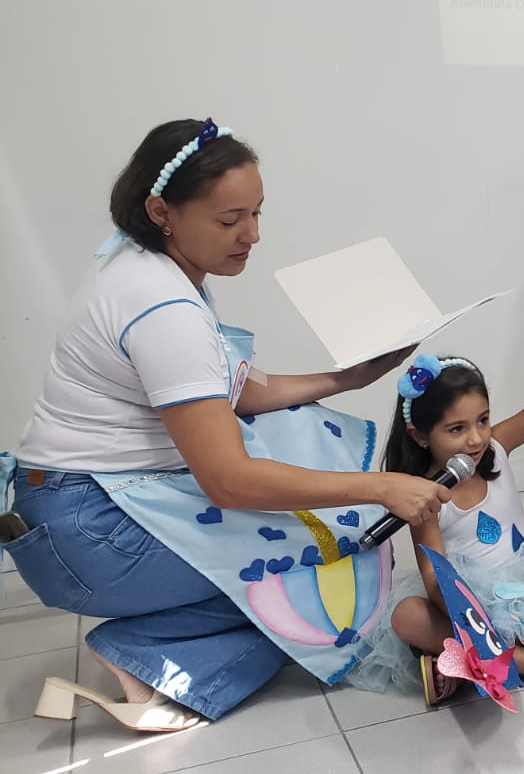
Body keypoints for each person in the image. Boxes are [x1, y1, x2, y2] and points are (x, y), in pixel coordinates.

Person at [0, 119, 449, 730]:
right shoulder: (162, 306)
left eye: (257, 213)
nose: (252, 235)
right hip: (90, 531)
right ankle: (151, 659)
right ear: (162, 211)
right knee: (338, 550)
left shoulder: (140, 263)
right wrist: (380, 487)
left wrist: (344, 378)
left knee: (309, 444)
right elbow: (229, 481)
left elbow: (229, 390)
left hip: (66, 508)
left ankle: (164, 645)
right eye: (230, 219)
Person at [344, 327, 524, 705]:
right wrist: (472, 618)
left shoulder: (497, 447)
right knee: (407, 616)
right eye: (457, 429)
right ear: (420, 435)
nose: (476, 438)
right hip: (468, 606)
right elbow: (433, 575)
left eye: (483, 420)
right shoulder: (422, 496)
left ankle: (467, 663)